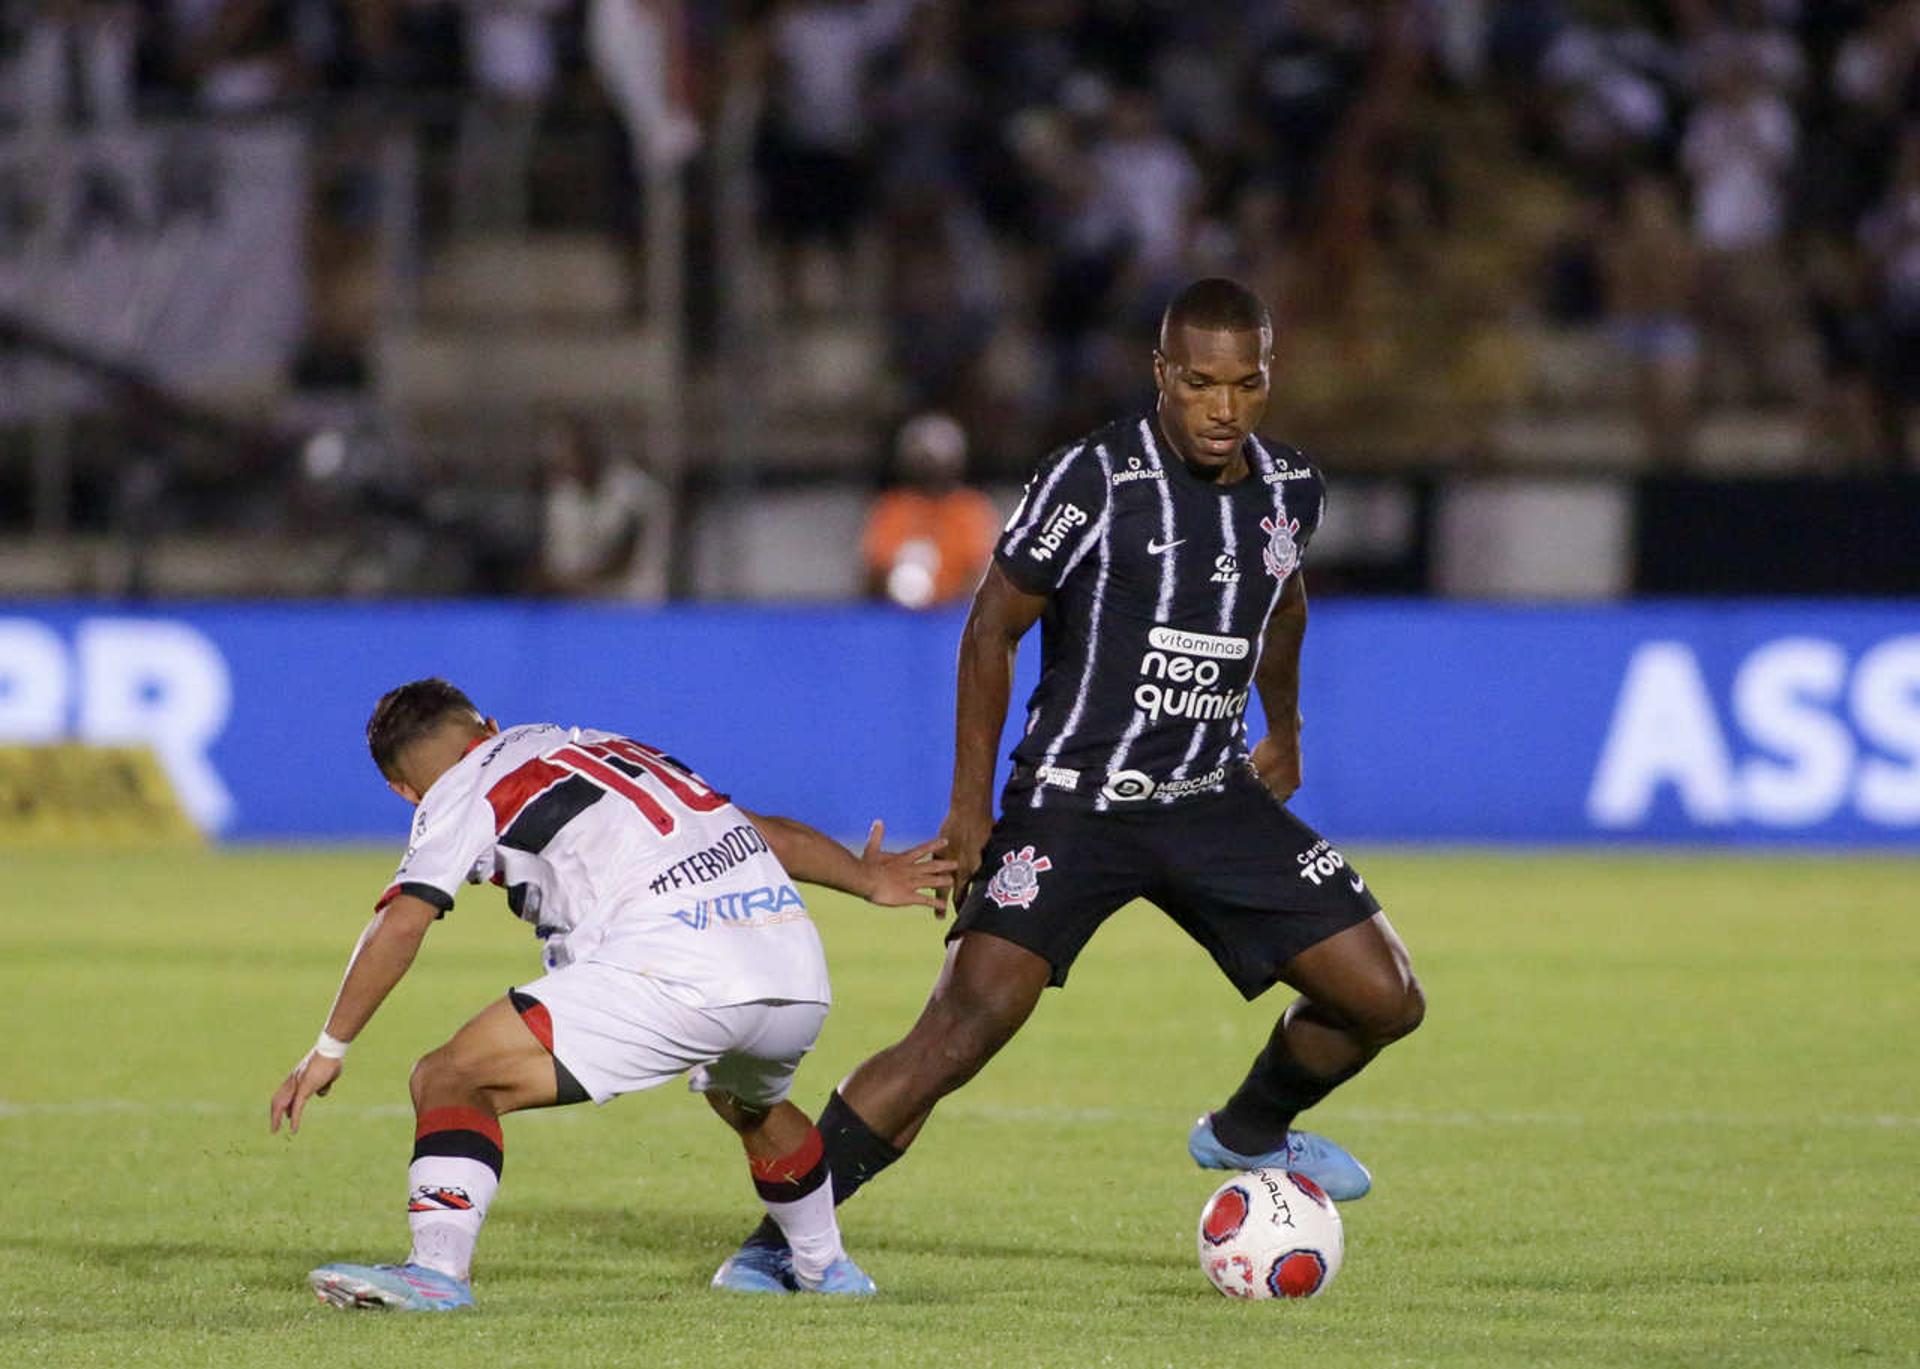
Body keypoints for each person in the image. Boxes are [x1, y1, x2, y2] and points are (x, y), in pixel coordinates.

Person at [714, 277, 1426, 1291]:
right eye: (1199, 383)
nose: (1223, 407)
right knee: (964, 1025)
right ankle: (785, 1243)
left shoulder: (1289, 488)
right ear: (1161, 375)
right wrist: (970, 808)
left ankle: (1247, 1130)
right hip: (1074, 798)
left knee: (1385, 997)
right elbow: (991, 627)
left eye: (1246, 383)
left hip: (1208, 790)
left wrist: (1287, 726)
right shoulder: (1094, 478)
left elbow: (1285, 599)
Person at [268, 679, 953, 1309]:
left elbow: (404, 918)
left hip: (676, 964)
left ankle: (436, 1272)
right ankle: (825, 1266)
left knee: (451, 1076)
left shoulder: (457, 790)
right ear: (490, 724)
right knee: (751, 1102)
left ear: (403, 790)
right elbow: (757, 830)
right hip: (792, 965)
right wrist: (866, 880)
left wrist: (330, 1047)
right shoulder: (594, 744)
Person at [859, 412, 1001, 609]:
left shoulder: (971, 509)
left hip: (956, 619)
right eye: (924, 459)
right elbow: (873, 573)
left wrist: (941, 600)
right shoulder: (892, 507)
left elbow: (981, 575)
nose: (933, 468)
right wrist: (900, 590)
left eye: (941, 459)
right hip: (896, 618)